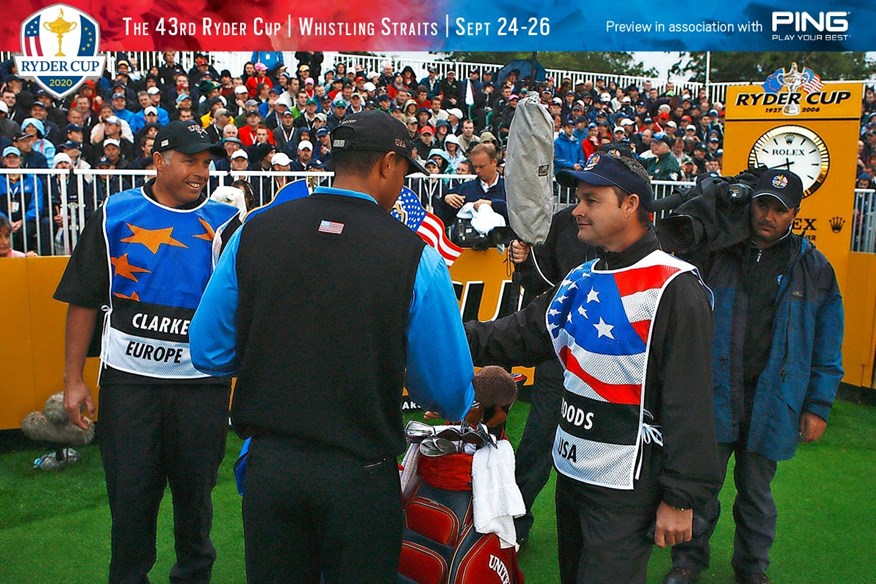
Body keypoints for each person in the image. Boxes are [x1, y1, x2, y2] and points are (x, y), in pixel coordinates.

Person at [189, 110, 475, 584]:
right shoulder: (414, 255)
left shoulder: (256, 230)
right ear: (387, 164)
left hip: (271, 468)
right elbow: (445, 388)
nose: (402, 182)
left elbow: (209, 351)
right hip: (359, 473)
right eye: (404, 170)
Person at [464, 152, 721, 584]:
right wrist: (435, 331)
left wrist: (682, 498)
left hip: (628, 485)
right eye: (578, 198)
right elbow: (519, 334)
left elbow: (690, 401)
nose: (577, 210)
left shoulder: (675, 286)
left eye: (591, 200)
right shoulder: (582, 276)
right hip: (573, 472)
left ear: (631, 205)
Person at [54, 121, 240, 584]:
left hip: (201, 388)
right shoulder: (114, 213)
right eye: (191, 160)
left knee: (195, 503)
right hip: (128, 386)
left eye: (207, 162)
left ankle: (193, 577)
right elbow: (83, 299)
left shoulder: (225, 222)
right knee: (131, 502)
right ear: (160, 159)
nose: (201, 171)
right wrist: (73, 379)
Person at [664, 170, 844, 584]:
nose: (768, 215)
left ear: (796, 213)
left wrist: (818, 405)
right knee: (700, 486)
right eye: (762, 204)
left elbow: (827, 343)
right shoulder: (715, 251)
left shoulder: (814, 267)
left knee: (757, 495)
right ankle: (687, 562)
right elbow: (673, 243)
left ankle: (752, 569)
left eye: (780, 209)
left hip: (773, 400)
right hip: (714, 394)